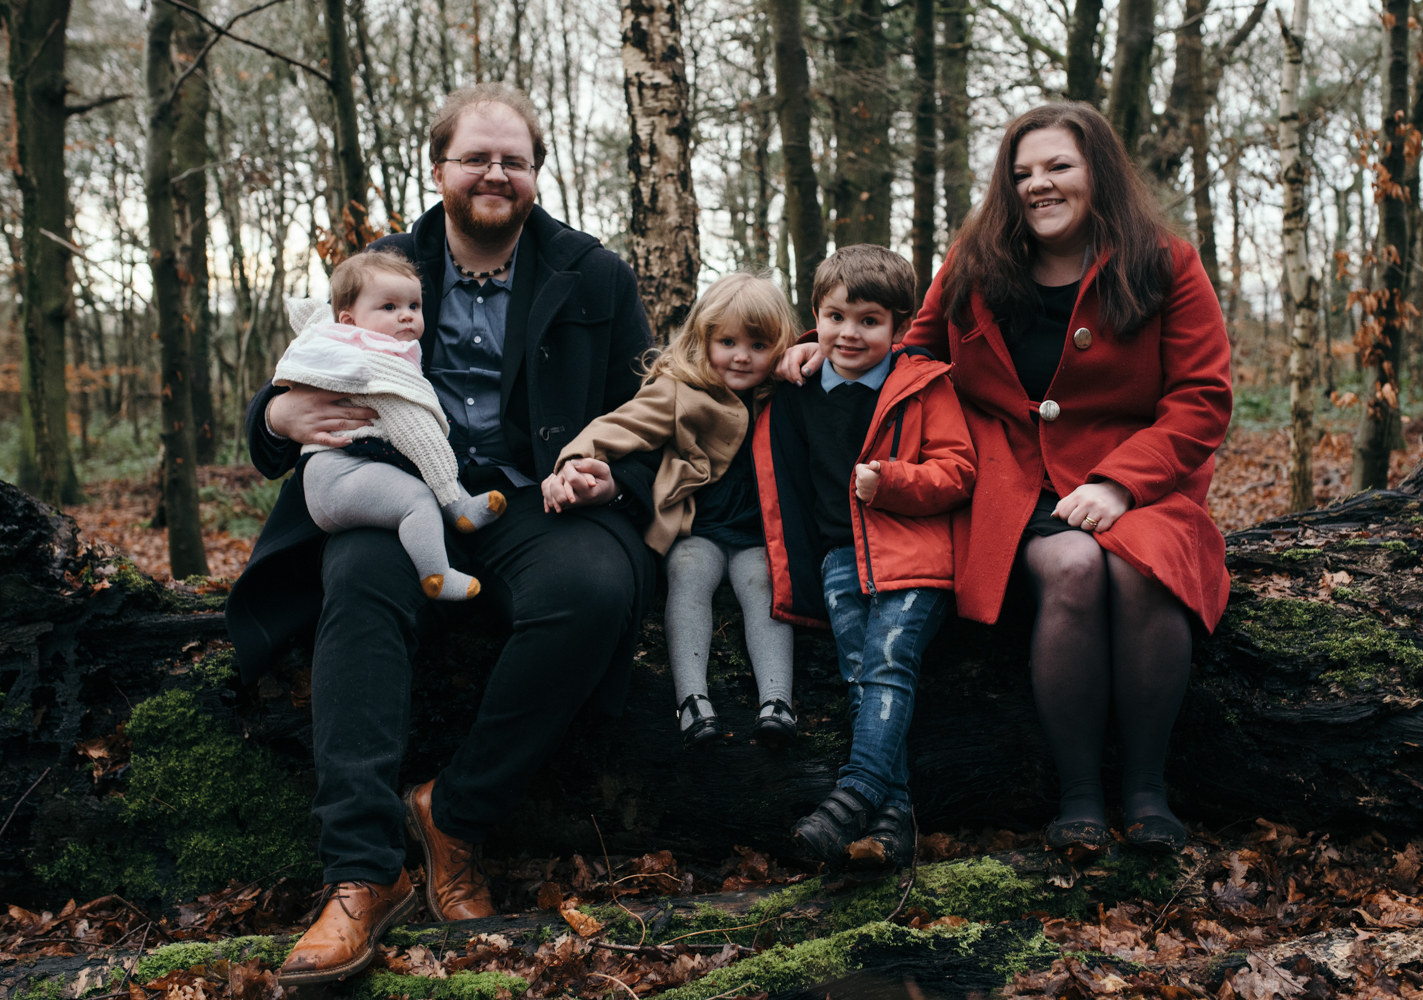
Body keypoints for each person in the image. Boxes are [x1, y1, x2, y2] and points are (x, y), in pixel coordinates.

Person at [225, 82, 656, 985]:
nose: (496, 173)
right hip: (392, 488)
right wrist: (279, 418)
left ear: (536, 173)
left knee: (593, 592)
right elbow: (292, 384)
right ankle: (360, 873)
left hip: (533, 501)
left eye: (515, 159)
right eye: (477, 158)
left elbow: (649, 409)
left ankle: (454, 816)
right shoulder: (379, 264)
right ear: (440, 169)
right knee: (357, 588)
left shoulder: (594, 273)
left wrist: (615, 471)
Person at [779, 103, 1233, 854]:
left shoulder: (1164, 261)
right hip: (1009, 480)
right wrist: (817, 349)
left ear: (1098, 173)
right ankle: (1079, 794)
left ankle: (1146, 789)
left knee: (1143, 571)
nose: (1037, 185)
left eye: (1057, 166)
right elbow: (911, 347)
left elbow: (1200, 398)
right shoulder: (977, 258)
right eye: (1021, 173)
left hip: (1138, 478)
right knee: (1071, 564)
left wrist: (1119, 483)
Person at [757, 245, 977, 867]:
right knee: (860, 674)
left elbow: (960, 470)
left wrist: (895, 483)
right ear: (816, 317)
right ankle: (893, 825)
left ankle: (853, 795)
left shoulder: (925, 388)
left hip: (914, 555)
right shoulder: (794, 389)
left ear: (901, 327)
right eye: (835, 318)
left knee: (886, 661)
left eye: (869, 321)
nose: (849, 334)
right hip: (837, 560)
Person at [543, 273, 802, 749]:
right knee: (687, 578)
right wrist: (574, 463)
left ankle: (777, 702)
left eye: (759, 344)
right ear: (704, 339)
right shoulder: (679, 390)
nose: (741, 356)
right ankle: (692, 701)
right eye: (727, 341)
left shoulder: (786, 393)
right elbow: (619, 425)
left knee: (767, 588)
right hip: (695, 526)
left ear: (782, 345)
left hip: (755, 534)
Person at [275, 252, 508, 602]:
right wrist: (448, 486)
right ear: (349, 320)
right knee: (416, 498)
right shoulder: (370, 364)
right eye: (388, 307)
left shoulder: (363, 348)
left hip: (350, 471)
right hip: (338, 475)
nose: (406, 315)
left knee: (418, 477)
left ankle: (460, 510)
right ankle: (437, 575)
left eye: (414, 306)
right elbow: (417, 434)